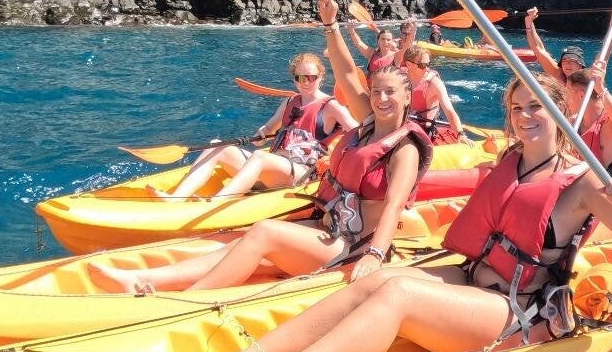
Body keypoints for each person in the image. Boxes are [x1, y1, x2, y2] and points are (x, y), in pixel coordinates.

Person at [209, 74, 612, 352]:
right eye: (517, 108)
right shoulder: (511, 160)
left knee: (399, 294)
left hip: (519, 309)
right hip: (471, 279)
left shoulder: (583, 183)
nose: (525, 116)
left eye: (536, 107)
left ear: (558, 113)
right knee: (374, 279)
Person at [96, 48, 431, 294]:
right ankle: (146, 279)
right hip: (326, 229)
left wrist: (373, 255)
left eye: (391, 92)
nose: (382, 98)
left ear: (407, 96)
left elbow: (393, 206)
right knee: (237, 246)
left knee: (264, 232)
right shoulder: (366, 130)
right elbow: (346, 73)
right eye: (376, 92)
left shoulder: (404, 150)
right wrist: (330, 25)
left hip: (353, 246)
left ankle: (187, 300)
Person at [155, 51, 357, 200]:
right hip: (273, 168)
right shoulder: (289, 102)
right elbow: (266, 131)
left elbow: (359, 130)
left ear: (321, 77)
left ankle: (215, 204)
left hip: (300, 173)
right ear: (294, 79)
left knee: (260, 157)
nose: (305, 82)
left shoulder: (331, 106)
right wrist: (262, 133)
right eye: (299, 77)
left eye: (311, 77)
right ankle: (176, 198)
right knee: (218, 144)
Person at [564, 63, 612, 177]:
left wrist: (601, 89)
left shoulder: (610, 122)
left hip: (611, 190)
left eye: (566, 92)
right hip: (581, 187)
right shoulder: (572, 123)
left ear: (581, 95)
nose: (563, 98)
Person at [402, 44, 466, 143]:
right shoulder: (400, 77)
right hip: (404, 125)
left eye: (428, 64)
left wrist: (460, 134)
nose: (427, 68)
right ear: (409, 64)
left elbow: (449, 111)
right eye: (423, 65)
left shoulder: (434, 83)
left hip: (424, 129)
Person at [523, 8, 587, 82]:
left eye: (572, 60)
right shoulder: (557, 74)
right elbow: (539, 49)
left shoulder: (589, 81)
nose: (567, 64)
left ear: (580, 65)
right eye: (564, 60)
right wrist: (529, 23)